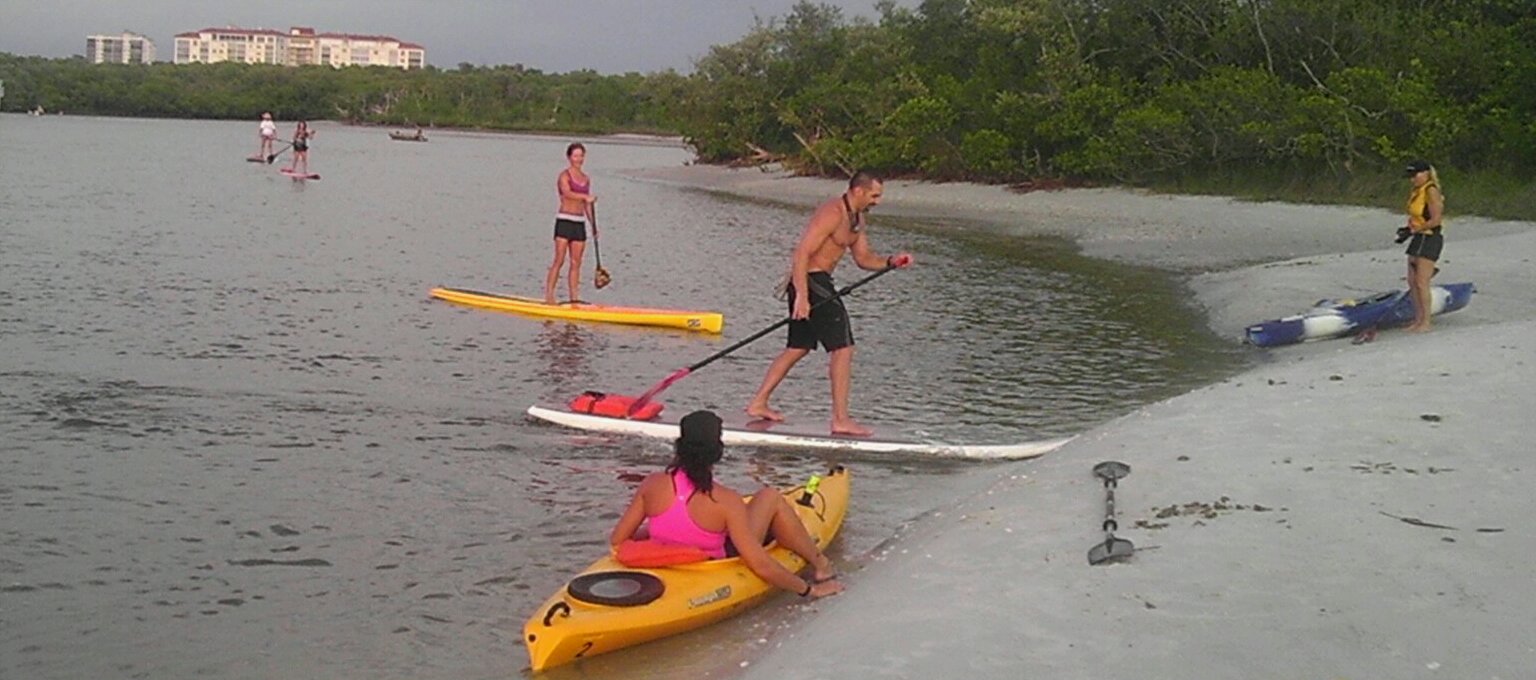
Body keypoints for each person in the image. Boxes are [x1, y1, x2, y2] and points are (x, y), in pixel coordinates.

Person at [608, 410, 844, 600]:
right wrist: (809, 590)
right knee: (769, 496)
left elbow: (618, 540)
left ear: (680, 446)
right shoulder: (726, 500)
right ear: (717, 452)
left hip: (670, 558)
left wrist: (658, 532)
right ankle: (821, 564)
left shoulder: (652, 485)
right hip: (713, 566)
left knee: (759, 501)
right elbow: (760, 565)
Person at [745, 171, 913, 436]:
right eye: (875, 195)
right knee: (843, 348)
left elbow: (864, 258)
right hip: (810, 282)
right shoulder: (832, 212)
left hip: (816, 283)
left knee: (798, 347)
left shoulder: (857, 220)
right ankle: (840, 419)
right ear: (858, 191)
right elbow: (802, 252)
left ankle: (758, 403)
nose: (877, 201)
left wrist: (891, 261)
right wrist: (801, 295)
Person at [545, 142, 595, 304]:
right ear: (569, 157)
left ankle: (574, 298)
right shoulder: (564, 176)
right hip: (564, 220)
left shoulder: (586, 179)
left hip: (579, 223)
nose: (578, 159)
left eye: (581, 156)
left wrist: (593, 225)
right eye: (575, 156)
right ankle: (549, 296)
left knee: (576, 262)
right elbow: (567, 193)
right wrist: (584, 197)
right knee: (559, 260)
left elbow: (587, 204)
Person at [1402, 159, 1445, 332]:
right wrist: (1409, 228)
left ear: (1426, 173)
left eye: (1416, 175)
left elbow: (1436, 220)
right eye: (1411, 176)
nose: (1413, 179)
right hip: (1418, 237)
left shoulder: (1431, 191)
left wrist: (1419, 228)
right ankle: (1418, 318)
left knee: (1421, 281)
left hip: (1430, 238)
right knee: (1412, 280)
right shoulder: (1417, 191)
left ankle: (1426, 322)